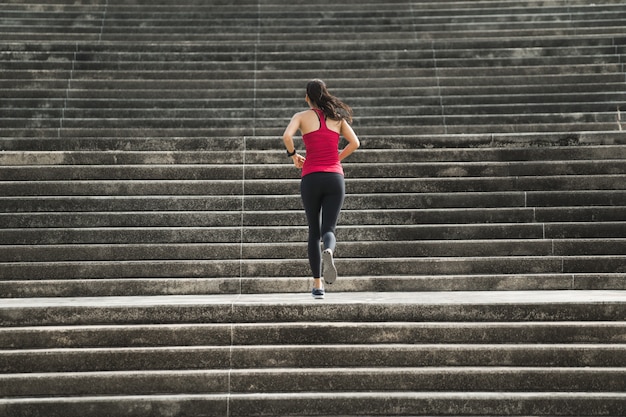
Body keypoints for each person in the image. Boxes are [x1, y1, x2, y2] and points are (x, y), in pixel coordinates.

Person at [282, 79, 360, 299]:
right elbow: (355, 143)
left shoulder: (301, 117)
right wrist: (337, 157)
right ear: (325, 95)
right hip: (335, 177)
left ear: (307, 97)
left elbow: (287, 136)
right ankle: (330, 250)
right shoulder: (338, 119)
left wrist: (293, 155)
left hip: (311, 176)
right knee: (329, 229)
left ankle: (318, 285)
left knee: (313, 231)